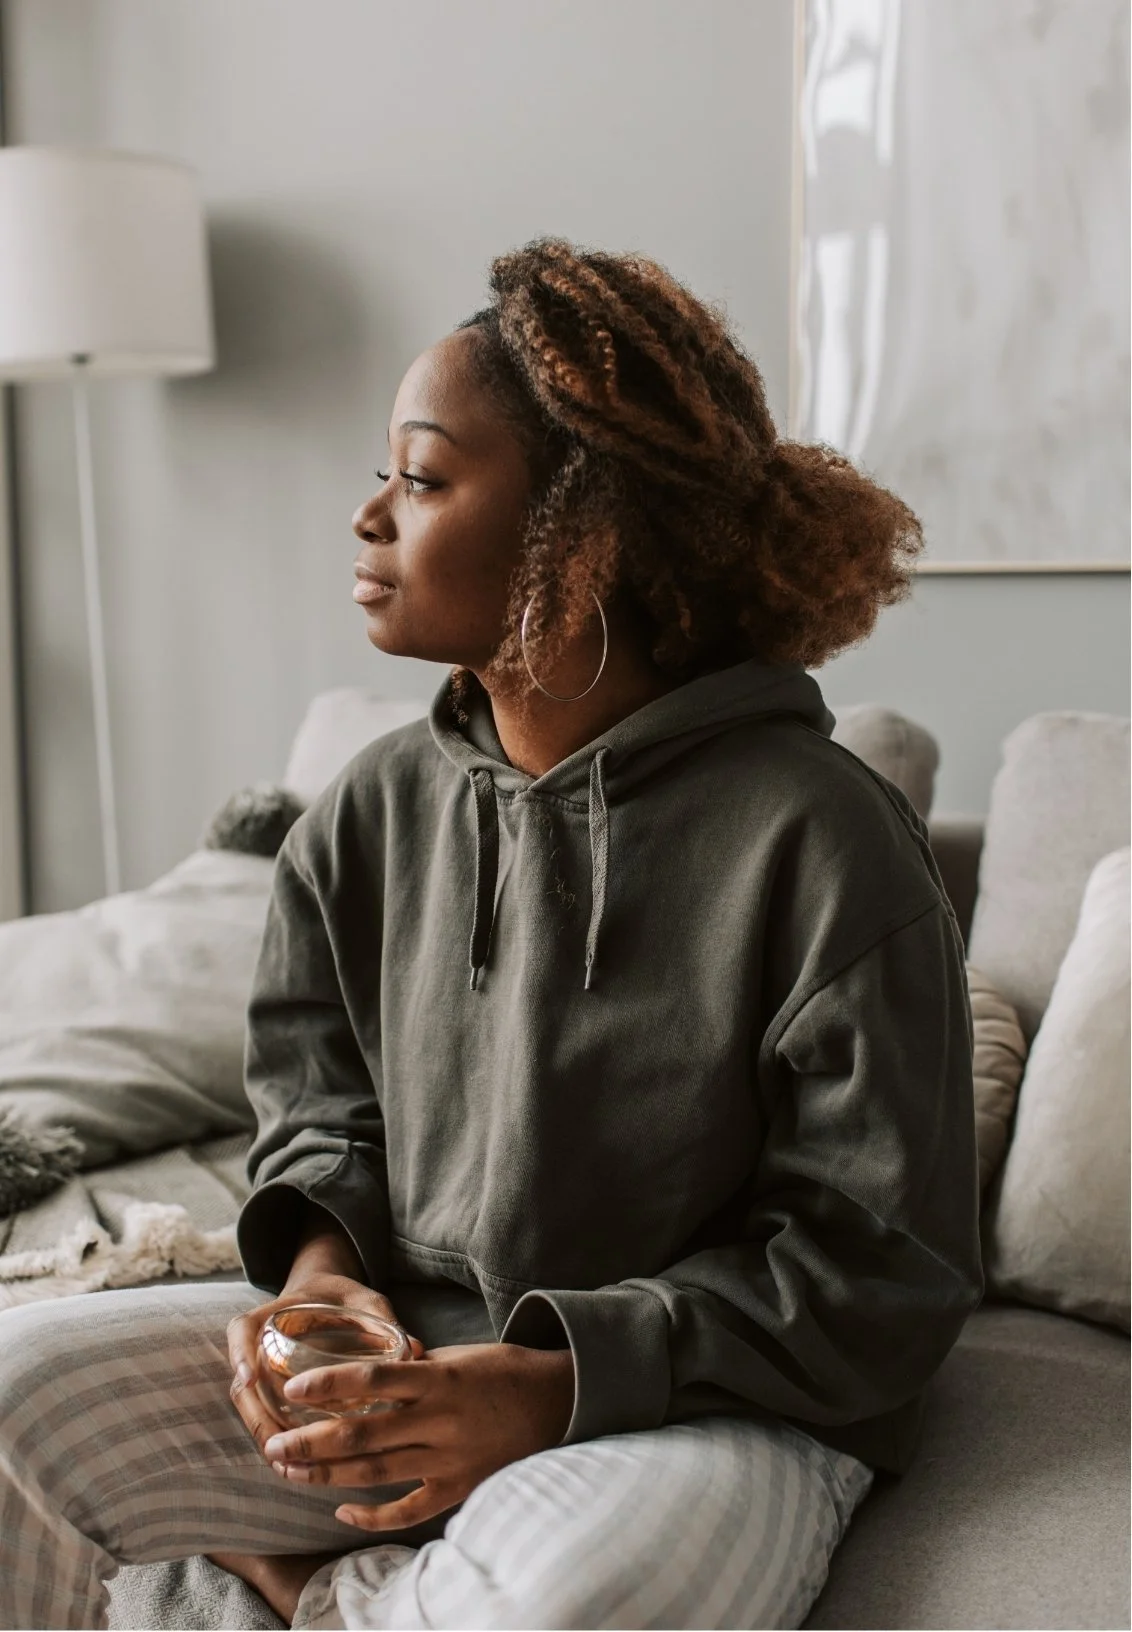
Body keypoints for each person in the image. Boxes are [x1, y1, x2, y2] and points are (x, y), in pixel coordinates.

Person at [0, 235, 983, 1631]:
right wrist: (328, 1286)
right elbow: (317, 1104)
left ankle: (292, 1590)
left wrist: (551, 1381)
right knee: (11, 1406)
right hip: (403, 1354)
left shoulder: (823, 839)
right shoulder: (369, 812)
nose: (368, 517)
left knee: (555, 1607)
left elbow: (880, 1270)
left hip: (705, 1408)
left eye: (420, 476)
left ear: (582, 538)